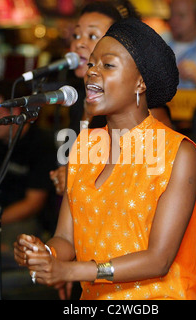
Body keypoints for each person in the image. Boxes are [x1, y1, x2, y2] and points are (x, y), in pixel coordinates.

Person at [13, 17, 196, 300]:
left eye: (108, 65)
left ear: (140, 82)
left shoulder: (178, 152)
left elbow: (159, 259)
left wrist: (70, 272)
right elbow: (66, 237)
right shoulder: (85, 145)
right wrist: (45, 255)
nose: (92, 72)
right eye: (91, 64)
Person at [50, 0, 173, 195]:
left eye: (92, 36)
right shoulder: (79, 100)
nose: (78, 43)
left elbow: (148, 188)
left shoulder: (147, 110)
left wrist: (78, 178)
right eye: (76, 35)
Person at [0, 80, 58, 252]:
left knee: (15, 238)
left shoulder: (40, 143)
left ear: (15, 112)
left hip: (27, 221)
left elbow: (33, 204)